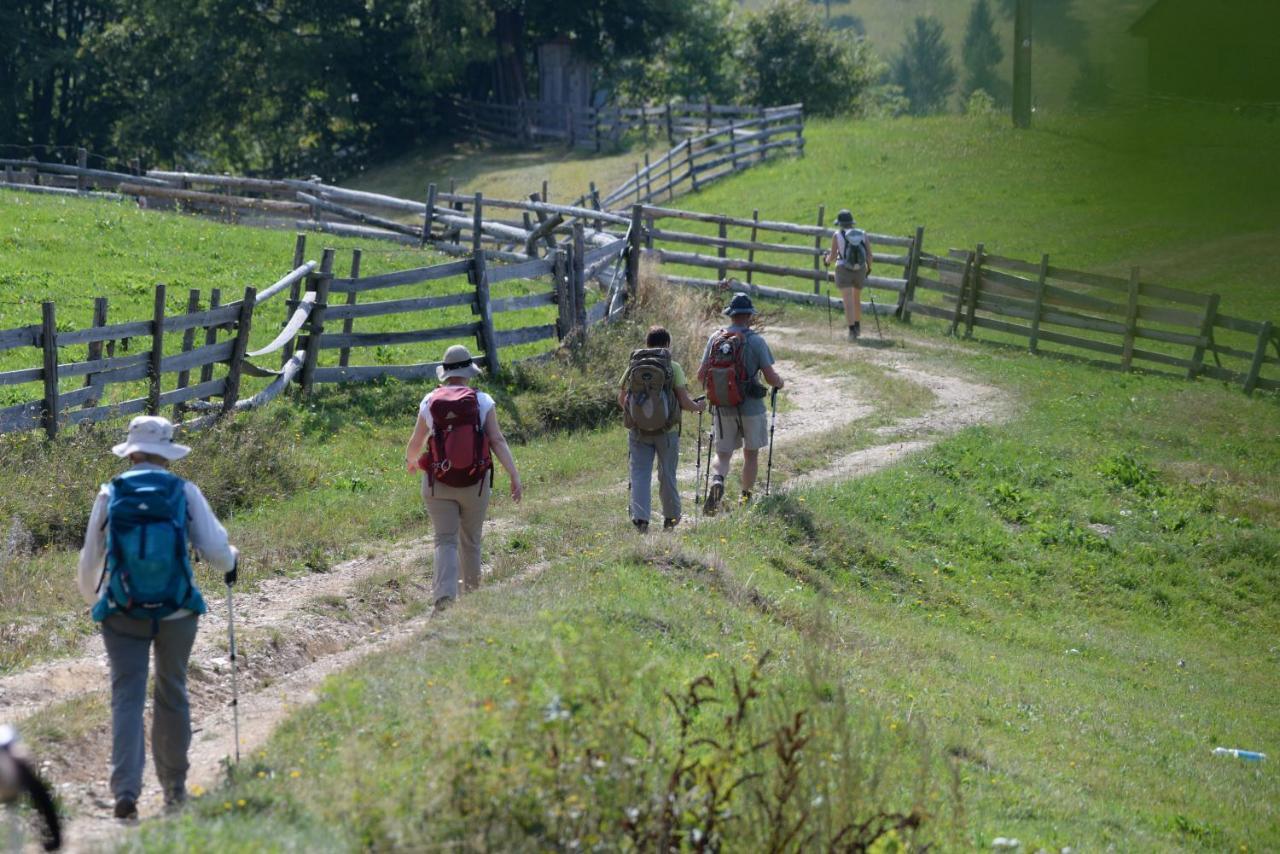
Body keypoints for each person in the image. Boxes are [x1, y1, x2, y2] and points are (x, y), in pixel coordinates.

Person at [77, 415, 239, 820]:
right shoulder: (183, 491)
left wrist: (95, 598)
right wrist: (233, 560)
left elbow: (89, 562)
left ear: (130, 451)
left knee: (126, 698)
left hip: (122, 610)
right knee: (173, 693)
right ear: (167, 451)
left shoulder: (109, 492)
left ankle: (126, 792)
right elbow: (217, 550)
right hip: (177, 610)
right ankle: (174, 790)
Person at [405, 344, 522, 610]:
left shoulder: (429, 401)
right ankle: (472, 599)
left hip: (438, 483)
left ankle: (444, 597)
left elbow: (416, 442)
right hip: (475, 483)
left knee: (445, 539)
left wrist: (412, 461)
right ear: (469, 373)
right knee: (470, 540)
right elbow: (497, 440)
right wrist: (514, 475)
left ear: (445, 374)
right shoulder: (482, 401)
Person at [698, 293, 785, 513]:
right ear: (749, 316)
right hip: (752, 407)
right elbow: (771, 378)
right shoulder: (756, 341)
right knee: (751, 454)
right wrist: (780, 383)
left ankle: (718, 480)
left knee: (723, 453)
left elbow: (701, 375)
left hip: (723, 406)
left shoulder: (715, 339)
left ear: (731, 315)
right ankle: (745, 497)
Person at [617, 325, 707, 532]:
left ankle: (641, 520)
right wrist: (698, 407)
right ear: (667, 344)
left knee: (640, 473)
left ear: (647, 343)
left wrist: (637, 415)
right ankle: (671, 519)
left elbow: (622, 398)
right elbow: (684, 401)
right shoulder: (672, 367)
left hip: (639, 431)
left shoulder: (634, 366)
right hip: (667, 432)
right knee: (667, 474)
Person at [823, 209, 874, 341]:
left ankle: (852, 331)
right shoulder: (863, 234)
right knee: (856, 298)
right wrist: (869, 268)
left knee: (848, 300)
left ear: (840, 223)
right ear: (851, 222)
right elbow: (869, 255)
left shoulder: (837, 235)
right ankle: (857, 326)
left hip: (843, 268)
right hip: (860, 269)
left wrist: (826, 260)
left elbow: (833, 256)